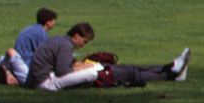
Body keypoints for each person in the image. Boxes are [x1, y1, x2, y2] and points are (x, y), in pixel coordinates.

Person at [29, 23, 189, 89]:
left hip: (45, 78)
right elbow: (63, 71)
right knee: (109, 72)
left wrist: (80, 65)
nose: (83, 45)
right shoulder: (65, 45)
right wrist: (86, 66)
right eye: (84, 41)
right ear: (76, 36)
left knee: (118, 69)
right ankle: (169, 74)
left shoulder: (60, 41)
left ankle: (167, 69)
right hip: (47, 82)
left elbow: (65, 65)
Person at [5, 8, 57, 82]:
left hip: (16, 59)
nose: (55, 22)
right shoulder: (41, 33)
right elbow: (44, 55)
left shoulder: (30, 28)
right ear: (48, 22)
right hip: (25, 63)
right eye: (53, 20)